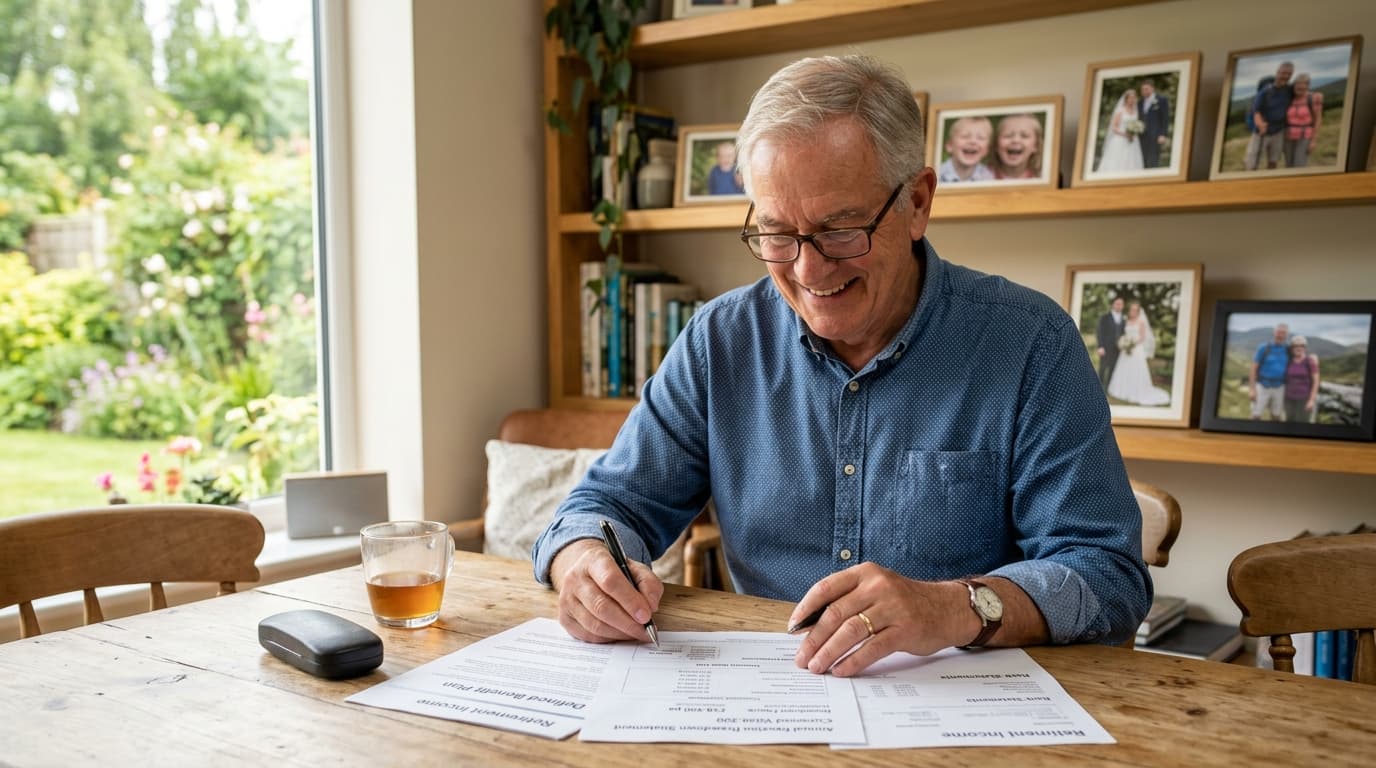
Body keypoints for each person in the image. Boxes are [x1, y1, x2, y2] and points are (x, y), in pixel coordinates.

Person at [533, 54, 1150, 679]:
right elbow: (607, 503)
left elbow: (1108, 575)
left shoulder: (1030, 343)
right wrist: (583, 563)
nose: (807, 271)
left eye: (840, 230)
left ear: (917, 201)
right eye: (776, 234)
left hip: (961, 713)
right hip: (762, 704)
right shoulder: (719, 341)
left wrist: (953, 606)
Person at [1106, 301, 1170, 406]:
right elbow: (1124, 334)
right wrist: (1125, 343)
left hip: (1136, 350)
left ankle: (1137, 391)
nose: (1133, 311)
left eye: (1135, 310)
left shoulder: (1141, 322)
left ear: (1138, 311)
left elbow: (1143, 337)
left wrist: (1131, 343)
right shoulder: (1127, 320)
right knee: (1124, 370)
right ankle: (1122, 391)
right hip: (1126, 351)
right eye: (1132, 309)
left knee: (1136, 370)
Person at [1244, 61, 1294, 171]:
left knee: (1273, 161)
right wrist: (1260, 124)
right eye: (1283, 73)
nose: (1285, 76)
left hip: (1278, 131)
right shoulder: (1266, 91)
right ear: (1278, 72)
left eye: (1289, 74)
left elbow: (1302, 93)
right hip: (1262, 132)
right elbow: (1256, 111)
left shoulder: (1289, 90)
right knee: (1252, 163)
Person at [1096, 89, 1144, 173]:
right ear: (1126, 99)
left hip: (1133, 139)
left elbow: (1136, 123)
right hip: (1120, 139)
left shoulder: (1135, 111)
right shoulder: (1120, 111)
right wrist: (1125, 134)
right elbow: (1114, 128)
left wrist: (1134, 131)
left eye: (1133, 98)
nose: (1132, 100)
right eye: (1130, 98)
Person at [1249, 323, 1289, 420]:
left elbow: (1299, 356)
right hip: (1262, 386)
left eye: (1283, 333)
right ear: (1274, 333)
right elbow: (1253, 368)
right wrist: (1252, 389)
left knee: (1276, 416)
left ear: (1286, 335)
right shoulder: (1263, 348)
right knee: (1256, 415)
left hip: (1280, 387)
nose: (1280, 335)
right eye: (1278, 332)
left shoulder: (1288, 349)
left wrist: (1313, 358)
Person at [1282, 73, 1324, 168]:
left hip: (1305, 137)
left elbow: (1318, 119)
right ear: (1294, 86)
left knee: (1299, 165)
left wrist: (1313, 141)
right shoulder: (1289, 98)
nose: (1300, 90)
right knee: (1289, 165)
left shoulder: (1313, 98)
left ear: (1308, 86)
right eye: (1298, 87)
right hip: (1288, 136)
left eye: (1303, 88)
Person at [937, 115, 995, 183]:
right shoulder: (938, 174)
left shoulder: (989, 177)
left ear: (986, 150)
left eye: (980, 138)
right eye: (965, 136)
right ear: (950, 146)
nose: (973, 141)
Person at [989, 113, 1043, 179]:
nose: (1015, 140)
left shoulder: (1042, 178)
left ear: (1036, 146)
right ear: (996, 145)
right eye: (1008, 135)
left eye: (1024, 136)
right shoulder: (983, 176)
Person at [1283, 334, 1320, 423]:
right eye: (1296, 346)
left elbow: (1316, 381)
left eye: (1302, 346)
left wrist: (1311, 400)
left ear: (1305, 348)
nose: (1299, 348)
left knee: (1302, 424)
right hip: (1289, 399)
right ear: (1292, 348)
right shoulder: (1289, 361)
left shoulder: (1310, 361)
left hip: (1304, 399)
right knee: (1289, 422)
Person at [1137, 79, 1171, 168]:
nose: (1144, 91)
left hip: (1155, 135)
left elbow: (1165, 119)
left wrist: (1163, 134)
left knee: (1153, 159)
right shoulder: (1140, 103)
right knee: (1142, 159)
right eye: (1142, 89)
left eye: (1146, 89)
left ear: (1152, 89)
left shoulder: (1161, 100)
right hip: (1142, 136)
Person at [1095, 296, 1126, 391]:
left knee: (1112, 369)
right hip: (1105, 347)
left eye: (1121, 304)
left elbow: (1123, 333)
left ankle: (1107, 388)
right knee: (1103, 368)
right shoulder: (1105, 317)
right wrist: (1100, 346)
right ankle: (1098, 389)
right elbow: (1099, 332)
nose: (1119, 306)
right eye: (1117, 303)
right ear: (1113, 304)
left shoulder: (1124, 319)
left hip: (1117, 349)